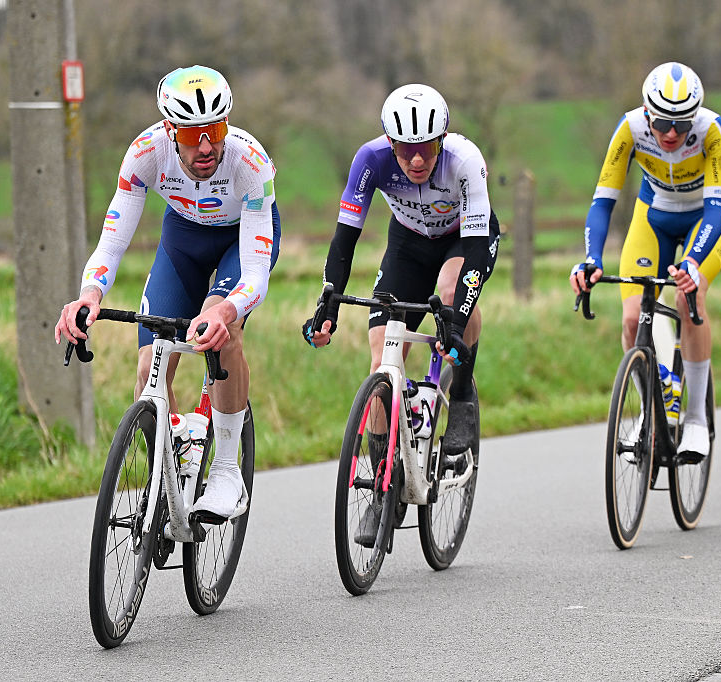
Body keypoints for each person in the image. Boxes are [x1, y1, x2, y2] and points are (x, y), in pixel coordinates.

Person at [55, 65, 280, 519]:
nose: (205, 146)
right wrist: (89, 294)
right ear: (168, 129)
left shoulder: (250, 161)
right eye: (192, 133)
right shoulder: (144, 153)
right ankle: (174, 453)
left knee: (223, 328)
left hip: (241, 242)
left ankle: (224, 470)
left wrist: (227, 309)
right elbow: (113, 240)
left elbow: (256, 272)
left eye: (215, 130)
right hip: (183, 239)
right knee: (148, 366)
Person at [301, 84, 499, 544]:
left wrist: (455, 315)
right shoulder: (369, 160)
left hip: (462, 241)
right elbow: (345, 238)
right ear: (390, 143)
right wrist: (329, 298)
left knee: (452, 294)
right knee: (380, 360)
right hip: (408, 245)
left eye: (426, 148)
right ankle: (382, 490)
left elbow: (472, 255)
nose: (416, 160)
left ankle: (462, 388)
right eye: (406, 150)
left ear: (442, 139)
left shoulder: (465, 161)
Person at [569, 61, 721, 460]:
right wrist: (591, 258)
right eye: (662, 124)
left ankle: (694, 418)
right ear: (647, 113)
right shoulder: (629, 128)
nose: (672, 134)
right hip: (654, 214)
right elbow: (603, 200)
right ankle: (650, 411)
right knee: (631, 318)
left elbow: (715, 209)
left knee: (686, 299)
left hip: (705, 217)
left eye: (682, 124)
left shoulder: (712, 129)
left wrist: (693, 262)